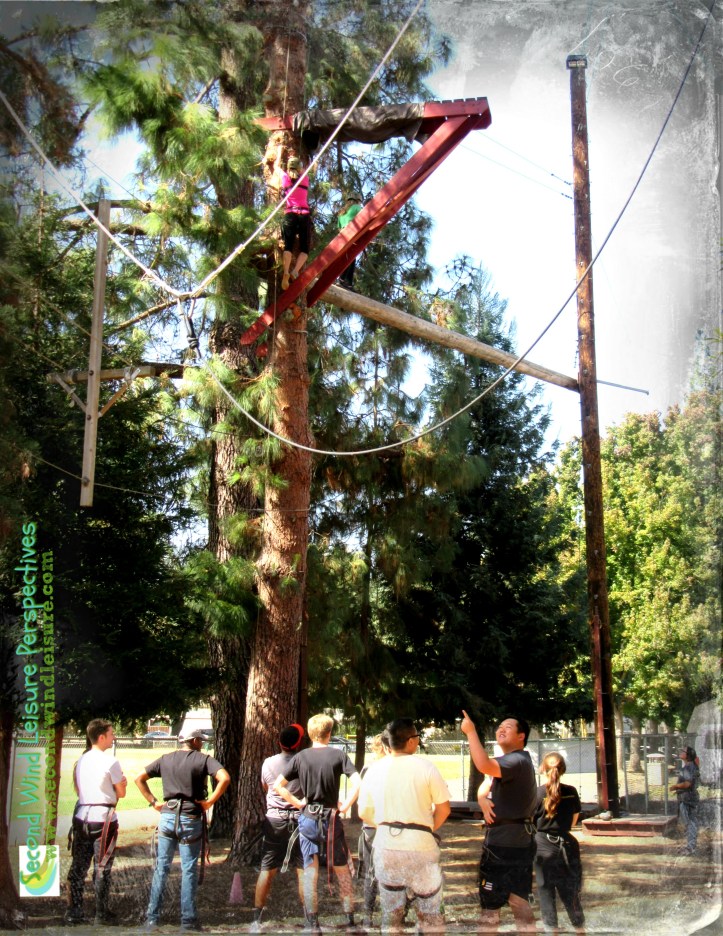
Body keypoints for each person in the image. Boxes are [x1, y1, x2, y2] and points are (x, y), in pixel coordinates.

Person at [357, 718, 451, 933]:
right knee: (430, 912)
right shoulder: (426, 767)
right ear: (410, 741)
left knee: (391, 915)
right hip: (421, 847)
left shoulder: (374, 770)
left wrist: (384, 827)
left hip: (386, 847)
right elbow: (444, 809)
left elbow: (364, 813)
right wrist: (426, 830)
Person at [273, 714, 361, 933]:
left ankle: (312, 923)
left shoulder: (300, 757)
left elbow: (278, 786)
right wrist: (346, 805)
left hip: (309, 818)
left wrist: (298, 804)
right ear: (329, 734)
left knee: (310, 871)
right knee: (342, 871)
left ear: (311, 734)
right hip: (331, 819)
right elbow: (359, 782)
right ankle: (350, 920)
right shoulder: (338, 755)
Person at [135, 729, 230, 932]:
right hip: (190, 817)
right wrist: (210, 802)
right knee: (188, 869)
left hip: (167, 816)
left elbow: (139, 778)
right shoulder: (203, 759)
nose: (203, 744)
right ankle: (188, 920)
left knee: (162, 868)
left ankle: (152, 919)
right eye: (201, 741)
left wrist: (153, 802)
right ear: (194, 741)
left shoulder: (165, 758)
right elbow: (225, 778)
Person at [460, 710, 537, 934]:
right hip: (518, 841)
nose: (501, 729)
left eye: (508, 727)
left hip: (503, 845)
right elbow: (488, 781)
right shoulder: (517, 762)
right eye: (500, 726)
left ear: (521, 736)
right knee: (518, 901)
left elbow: (483, 765)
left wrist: (471, 732)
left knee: (490, 908)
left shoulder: (516, 760)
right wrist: (482, 798)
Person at [64, 719, 127, 926]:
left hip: (82, 816)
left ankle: (75, 911)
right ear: (101, 737)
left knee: (79, 867)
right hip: (103, 818)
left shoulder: (82, 760)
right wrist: (120, 784)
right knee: (102, 867)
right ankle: (101, 913)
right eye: (111, 734)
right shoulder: (110, 761)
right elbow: (121, 792)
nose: (113, 737)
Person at [250, 724, 307, 932]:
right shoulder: (304, 761)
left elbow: (266, 787)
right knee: (303, 871)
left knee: (267, 869)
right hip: (300, 820)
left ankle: (256, 918)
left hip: (275, 819)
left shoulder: (268, 762)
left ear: (280, 742)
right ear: (299, 742)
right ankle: (309, 917)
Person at [534, 752, 585, 933]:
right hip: (567, 846)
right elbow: (573, 822)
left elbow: (531, 824)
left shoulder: (537, 794)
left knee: (546, 892)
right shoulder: (571, 792)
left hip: (542, 847)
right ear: (562, 769)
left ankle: (552, 931)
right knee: (571, 893)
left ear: (543, 769)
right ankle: (580, 931)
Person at [357, 731, 390, 928]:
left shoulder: (368, 769)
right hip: (389, 825)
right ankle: (393, 913)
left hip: (371, 825)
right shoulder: (394, 768)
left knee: (371, 873)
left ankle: (367, 916)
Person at [278, 150, 312, 291]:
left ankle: (286, 271)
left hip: (290, 213)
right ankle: (295, 270)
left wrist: (282, 156)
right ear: (299, 168)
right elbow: (306, 167)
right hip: (303, 214)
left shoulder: (285, 178)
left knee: (288, 245)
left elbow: (277, 169)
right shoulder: (305, 178)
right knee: (304, 248)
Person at [670, 745, 700, 856]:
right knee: (691, 822)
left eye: (683, 751)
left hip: (687, 799)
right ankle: (690, 846)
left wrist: (675, 786)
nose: (681, 752)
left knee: (689, 823)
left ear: (688, 756)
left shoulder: (688, 767)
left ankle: (690, 848)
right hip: (690, 797)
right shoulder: (692, 766)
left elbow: (687, 783)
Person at [337, 193, 363, 289]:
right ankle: (344, 279)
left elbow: (339, 228)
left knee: (350, 257)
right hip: (352, 233)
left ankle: (348, 282)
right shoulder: (357, 207)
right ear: (357, 201)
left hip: (342, 236)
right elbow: (365, 217)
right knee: (351, 257)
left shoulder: (341, 213)